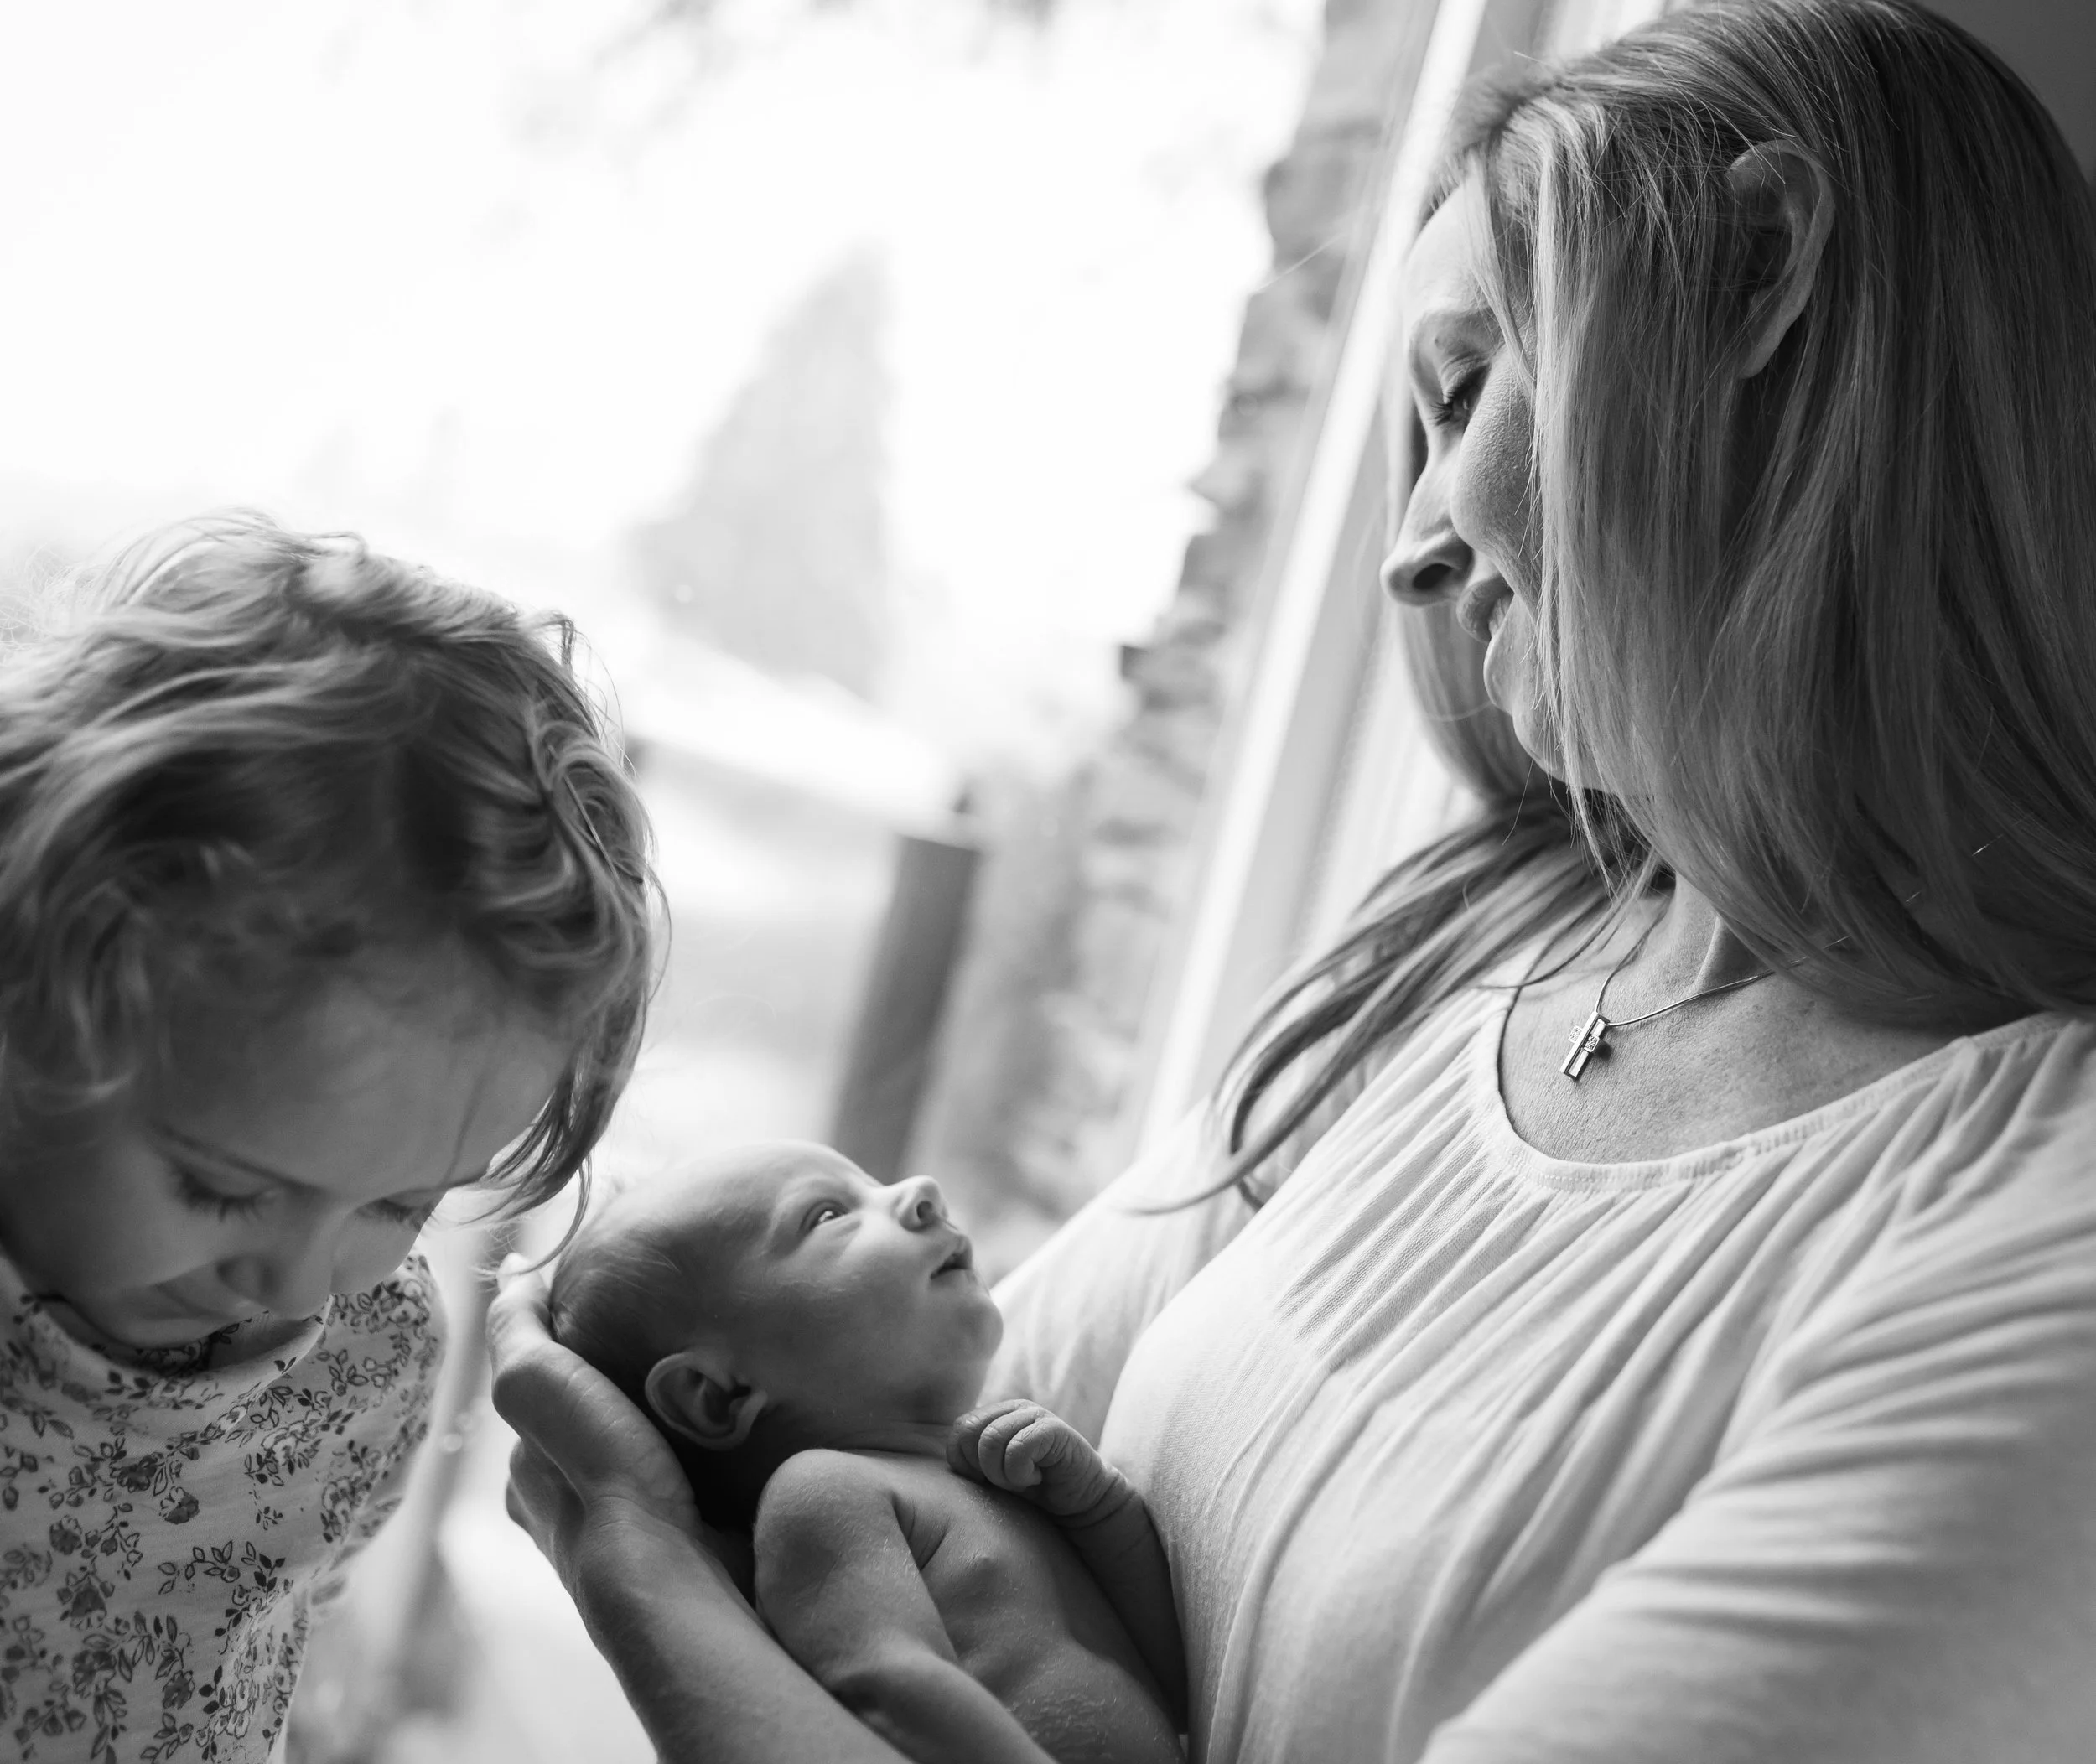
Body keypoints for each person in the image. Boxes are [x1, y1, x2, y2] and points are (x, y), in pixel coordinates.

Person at [489, 2, 2096, 1759]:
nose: (1411, 547)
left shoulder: (2039, 1226)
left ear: (1760, 273)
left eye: (1467, 384)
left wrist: (635, 1565)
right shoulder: (1463, 947)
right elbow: (928, 1437)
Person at [0, 517, 657, 1764]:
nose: (303, 1284)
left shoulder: (367, 1362)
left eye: (397, 1210)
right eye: (219, 1187)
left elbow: (270, 1646)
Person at [545, 1141, 1184, 1764]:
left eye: (872, 1182)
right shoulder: (825, 1494)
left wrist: (1097, 1505)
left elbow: (1178, 1667)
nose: (920, 1191)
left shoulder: (999, 1467)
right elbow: (892, 1690)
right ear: (717, 1395)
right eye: (828, 1213)